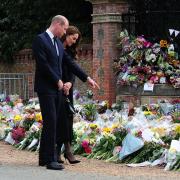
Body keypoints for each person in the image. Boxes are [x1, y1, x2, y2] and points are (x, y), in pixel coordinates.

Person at [32, 15, 99, 170]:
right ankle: (50, 160)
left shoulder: (57, 43)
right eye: (64, 28)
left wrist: (86, 77)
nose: (64, 31)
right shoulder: (40, 40)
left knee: (52, 121)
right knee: (51, 121)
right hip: (46, 88)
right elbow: (43, 64)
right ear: (57, 24)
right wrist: (57, 80)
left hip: (56, 89)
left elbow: (69, 62)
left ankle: (43, 157)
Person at [56, 26, 82, 164]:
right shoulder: (57, 49)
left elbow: (73, 70)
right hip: (58, 87)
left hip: (68, 88)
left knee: (68, 117)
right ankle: (63, 151)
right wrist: (62, 83)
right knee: (60, 119)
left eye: (76, 39)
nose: (74, 41)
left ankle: (66, 150)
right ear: (67, 35)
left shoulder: (71, 52)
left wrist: (70, 83)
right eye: (73, 38)